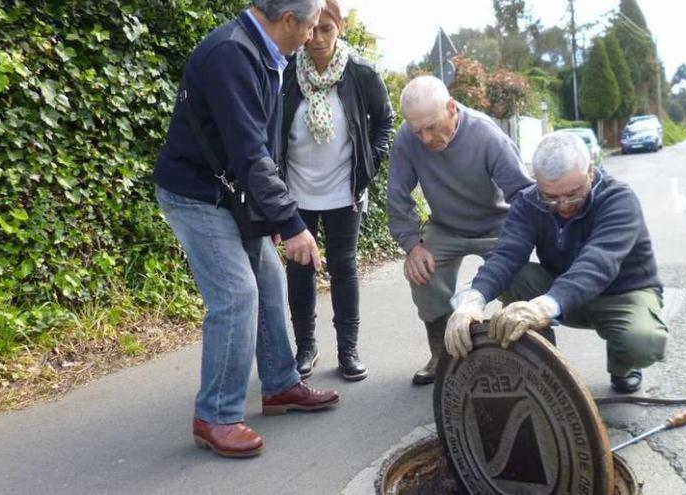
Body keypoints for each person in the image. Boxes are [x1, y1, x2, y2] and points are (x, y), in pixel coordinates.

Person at [153, 0, 340, 459]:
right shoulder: (231, 55)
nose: (315, 36)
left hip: (230, 195)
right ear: (289, 21)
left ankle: (278, 387)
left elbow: (259, 147)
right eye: (312, 26)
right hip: (195, 195)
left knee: (269, 281)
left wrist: (268, 213)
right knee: (237, 295)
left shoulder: (265, 53)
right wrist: (291, 224)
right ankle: (215, 415)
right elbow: (250, 152)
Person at [445, 132, 670, 394]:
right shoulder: (529, 202)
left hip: (621, 294)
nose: (563, 206)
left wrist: (543, 306)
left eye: (573, 194)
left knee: (641, 343)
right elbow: (506, 254)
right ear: (537, 182)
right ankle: (542, 364)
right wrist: (472, 300)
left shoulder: (619, 199)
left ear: (590, 172)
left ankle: (624, 366)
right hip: (562, 292)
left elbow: (598, 263)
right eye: (550, 196)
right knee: (515, 277)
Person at [386, 76, 534, 385]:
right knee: (423, 275)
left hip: (497, 223)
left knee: (518, 277)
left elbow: (522, 195)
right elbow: (397, 197)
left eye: (431, 127)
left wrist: (518, 243)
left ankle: (522, 354)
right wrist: (413, 246)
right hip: (446, 225)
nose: (425, 139)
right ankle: (444, 356)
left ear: (452, 108)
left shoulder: (487, 135)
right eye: (418, 131)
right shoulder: (407, 138)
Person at [280, 0, 394, 382]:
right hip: (296, 189)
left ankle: (348, 348)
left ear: (339, 29)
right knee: (299, 269)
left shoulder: (361, 72)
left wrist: (370, 164)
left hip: (344, 190)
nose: (317, 39)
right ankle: (305, 347)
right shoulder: (285, 72)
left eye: (327, 29)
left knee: (344, 267)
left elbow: (384, 122)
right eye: (313, 30)